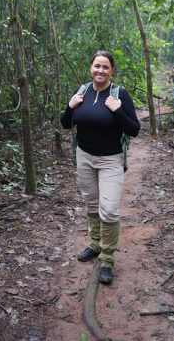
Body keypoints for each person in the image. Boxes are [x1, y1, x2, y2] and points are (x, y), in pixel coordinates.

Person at [61, 51, 140, 284]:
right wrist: (70, 105)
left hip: (111, 160)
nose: (100, 71)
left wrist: (117, 110)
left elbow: (134, 129)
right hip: (84, 157)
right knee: (92, 203)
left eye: (105, 67)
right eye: (97, 66)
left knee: (109, 209)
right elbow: (66, 124)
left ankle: (106, 259)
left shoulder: (120, 94)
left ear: (111, 71)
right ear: (90, 68)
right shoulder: (82, 90)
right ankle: (95, 245)